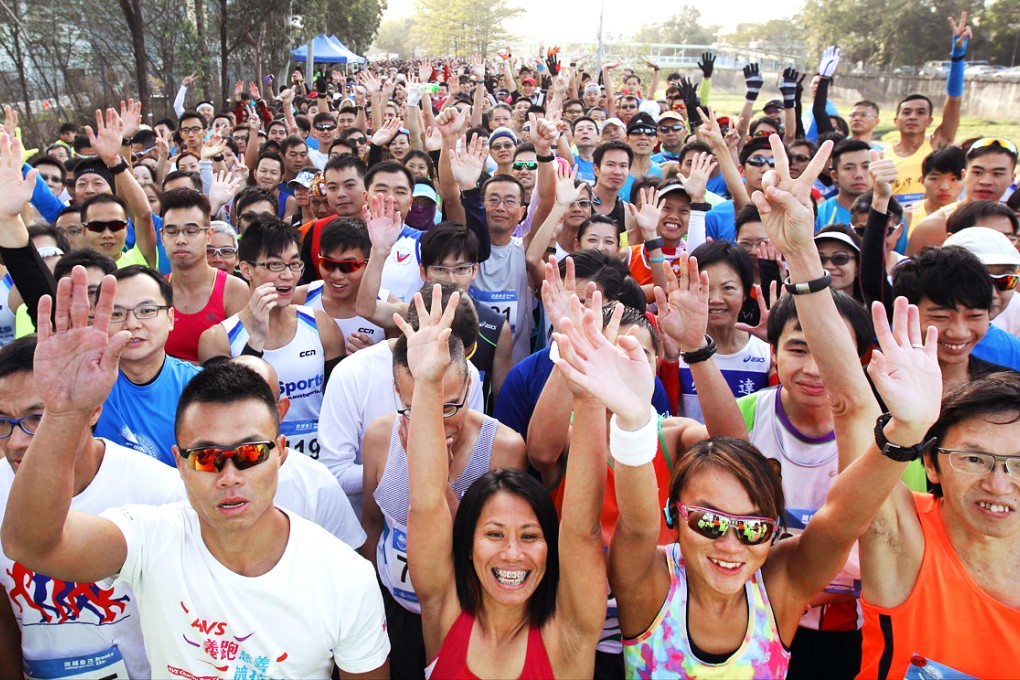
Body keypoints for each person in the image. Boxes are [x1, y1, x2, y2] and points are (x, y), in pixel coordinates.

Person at [0, 277, 390, 677]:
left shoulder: (345, 576)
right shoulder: (149, 538)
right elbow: (29, 543)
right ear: (180, 462)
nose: (229, 476)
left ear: (282, 453)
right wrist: (64, 415)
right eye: (206, 458)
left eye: (250, 453)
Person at [399, 285, 607, 678]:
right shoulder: (444, 612)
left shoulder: (569, 634)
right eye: (494, 534)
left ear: (551, 547)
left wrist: (590, 399)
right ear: (467, 545)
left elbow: (582, 530)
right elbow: (426, 502)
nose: (513, 553)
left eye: (529, 536)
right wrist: (426, 384)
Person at [360, 293, 526, 677]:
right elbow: (371, 524)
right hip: (394, 615)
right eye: (416, 408)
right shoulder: (380, 437)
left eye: (449, 406)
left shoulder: (503, 448)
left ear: (470, 384)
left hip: (469, 616)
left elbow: (495, 545)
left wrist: (437, 476)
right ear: (396, 390)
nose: (435, 423)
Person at [0, 336, 183, 679]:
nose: (15, 442)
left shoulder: (162, 490)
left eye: (37, 417)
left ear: (93, 409)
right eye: (3, 422)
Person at [317, 282, 485, 517]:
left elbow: (470, 456)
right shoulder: (352, 373)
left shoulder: (469, 373)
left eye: (459, 356)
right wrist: (407, 464)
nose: (442, 366)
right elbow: (334, 471)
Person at [198, 217, 345, 460]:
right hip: (256, 461)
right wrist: (255, 339)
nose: (287, 276)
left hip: (320, 461)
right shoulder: (218, 338)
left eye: (295, 265)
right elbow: (227, 408)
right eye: (276, 265)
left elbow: (340, 404)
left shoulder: (321, 325)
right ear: (246, 270)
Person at [93, 265, 201, 465]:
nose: (132, 324)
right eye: (116, 314)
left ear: (170, 318)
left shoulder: (201, 388)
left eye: (146, 310)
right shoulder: (86, 387)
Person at [883, 14, 972, 210]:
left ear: (930, 120)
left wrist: (957, 55)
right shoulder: (884, 156)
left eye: (920, 112)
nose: (913, 116)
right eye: (907, 112)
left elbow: (954, 100)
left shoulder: (937, 145)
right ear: (896, 120)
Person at [161, 189, 248, 363]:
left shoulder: (234, 291)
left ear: (208, 235)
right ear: (162, 237)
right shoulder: (156, 290)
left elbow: (243, 362)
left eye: (191, 231)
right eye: (172, 231)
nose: (180, 240)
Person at [908, 138, 1018, 254]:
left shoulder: (1013, 224)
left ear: (1012, 178)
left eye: (997, 174)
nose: (986, 181)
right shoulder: (932, 227)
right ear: (964, 175)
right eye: (977, 172)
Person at [815, 140, 873, 231]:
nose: (859, 175)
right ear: (835, 176)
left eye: (866, 167)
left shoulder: (889, 212)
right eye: (849, 168)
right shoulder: (819, 215)